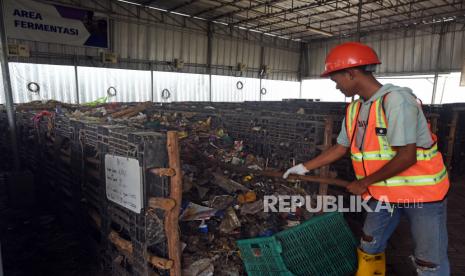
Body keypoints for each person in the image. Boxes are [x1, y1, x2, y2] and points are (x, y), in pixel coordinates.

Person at [283, 42, 450, 276]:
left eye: (336, 80)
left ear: (351, 73)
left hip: (422, 195)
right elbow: (340, 148)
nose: (337, 87)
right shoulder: (355, 109)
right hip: (382, 195)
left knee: (428, 262)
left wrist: (363, 182)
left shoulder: (396, 101)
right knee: (369, 245)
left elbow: (406, 156)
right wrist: (302, 167)